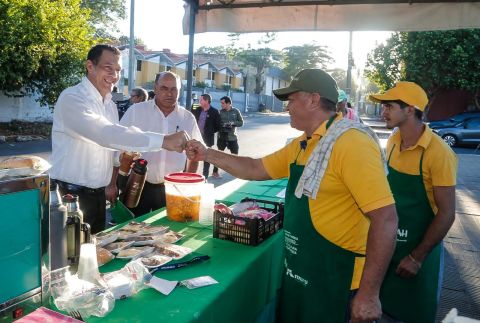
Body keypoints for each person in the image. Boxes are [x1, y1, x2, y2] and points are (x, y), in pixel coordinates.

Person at [186, 68, 398, 322]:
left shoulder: (351, 143)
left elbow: (386, 219)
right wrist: (207, 154)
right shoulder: (303, 143)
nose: (287, 107)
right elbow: (255, 168)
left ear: (313, 100)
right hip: (301, 269)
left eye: (292, 100)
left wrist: (369, 294)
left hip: (339, 279)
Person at [50, 44, 189, 234]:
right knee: (67, 259)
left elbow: (112, 149)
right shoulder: (72, 98)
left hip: (98, 198)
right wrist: (164, 140)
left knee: (96, 257)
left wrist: (123, 159)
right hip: (69, 197)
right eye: (108, 68)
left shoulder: (109, 105)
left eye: (117, 70)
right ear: (90, 66)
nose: (114, 76)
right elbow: (104, 133)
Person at [369, 82, 457, 323]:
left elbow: (448, 213)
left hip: (418, 253)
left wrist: (417, 257)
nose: (382, 112)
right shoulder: (395, 139)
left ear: (409, 110)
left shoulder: (439, 153)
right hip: (389, 248)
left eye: (389, 106)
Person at [119, 71, 203, 216]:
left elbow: (196, 153)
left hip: (174, 188)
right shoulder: (136, 112)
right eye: (164, 88)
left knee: (170, 232)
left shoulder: (187, 118)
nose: (169, 93)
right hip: (138, 185)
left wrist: (188, 184)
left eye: (174, 89)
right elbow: (117, 145)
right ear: (155, 88)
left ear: (179, 90)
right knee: (134, 231)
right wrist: (113, 183)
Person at [211, 96, 244, 178]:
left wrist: (232, 123)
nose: (221, 105)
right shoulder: (220, 112)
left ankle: (236, 172)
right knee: (219, 155)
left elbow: (241, 123)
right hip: (222, 136)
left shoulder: (236, 111)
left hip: (232, 137)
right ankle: (215, 172)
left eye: (223, 103)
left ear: (228, 103)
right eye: (221, 103)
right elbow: (216, 124)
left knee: (235, 155)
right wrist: (223, 125)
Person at [192, 93, 221, 179]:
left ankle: (205, 177)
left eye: (201, 100)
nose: (199, 101)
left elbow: (218, 126)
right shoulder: (197, 109)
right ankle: (192, 175)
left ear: (207, 101)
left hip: (207, 138)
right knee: (193, 156)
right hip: (196, 137)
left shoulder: (215, 112)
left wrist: (210, 131)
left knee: (206, 158)